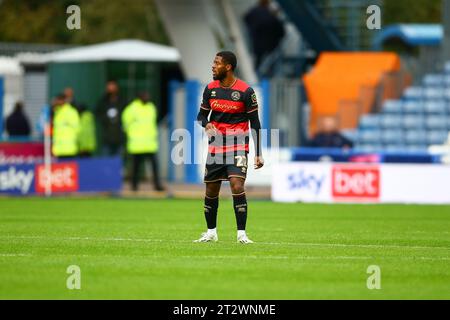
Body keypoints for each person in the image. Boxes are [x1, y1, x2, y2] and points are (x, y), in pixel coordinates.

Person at [195, 51, 264, 244]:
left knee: (237, 185)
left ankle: (241, 235)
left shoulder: (246, 91)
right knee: (211, 191)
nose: (213, 66)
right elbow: (201, 116)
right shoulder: (210, 89)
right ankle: (211, 233)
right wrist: (206, 124)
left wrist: (258, 153)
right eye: (213, 62)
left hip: (238, 145)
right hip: (216, 146)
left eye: (217, 63)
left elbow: (255, 123)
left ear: (228, 67)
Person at [122, 92, 164, 192]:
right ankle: (134, 186)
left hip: (150, 143)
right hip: (137, 144)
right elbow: (125, 123)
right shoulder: (132, 108)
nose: (147, 97)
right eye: (145, 96)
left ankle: (157, 185)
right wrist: (132, 135)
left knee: (154, 167)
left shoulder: (151, 107)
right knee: (135, 167)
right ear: (139, 97)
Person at [244, 0, 285, 70]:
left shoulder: (254, 11)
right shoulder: (271, 16)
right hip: (270, 45)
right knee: (270, 65)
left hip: (256, 42)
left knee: (258, 62)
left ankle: (255, 72)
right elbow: (281, 32)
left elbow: (246, 18)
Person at [96, 80, 125, 156]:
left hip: (119, 137)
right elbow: (97, 114)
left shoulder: (122, 101)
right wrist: (105, 120)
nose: (111, 89)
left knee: (118, 162)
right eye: (109, 87)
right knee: (106, 162)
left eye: (113, 86)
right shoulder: (103, 101)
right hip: (107, 138)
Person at [52, 93, 80, 159]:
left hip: (70, 149)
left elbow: (77, 128)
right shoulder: (57, 112)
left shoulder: (71, 112)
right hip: (59, 150)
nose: (57, 102)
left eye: (58, 100)